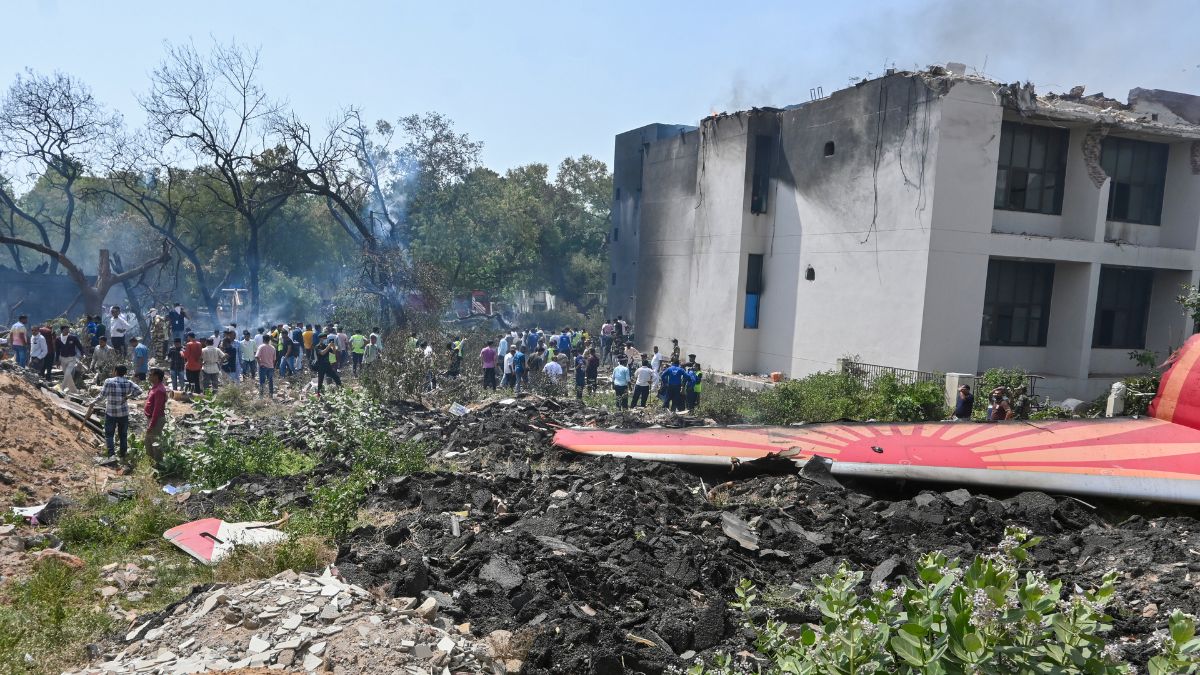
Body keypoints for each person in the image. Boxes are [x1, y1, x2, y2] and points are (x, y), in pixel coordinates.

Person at [88, 364, 142, 461]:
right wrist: (128, 397)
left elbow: (102, 396)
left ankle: (111, 455)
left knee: (109, 434)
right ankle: (123, 455)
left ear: (115, 371)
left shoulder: (109, 381)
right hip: (123, 413)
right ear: (125, 373)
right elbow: (139, 391)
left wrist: (92, 402)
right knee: (123, 435)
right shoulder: (128, 382)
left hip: (111, 413)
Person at [143, 368, 168, 465]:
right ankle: (151, 465)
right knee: (148, 442)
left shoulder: (159, 390)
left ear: (156, 376)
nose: (149, 376)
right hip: (152, 419)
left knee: (155, 444)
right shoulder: (155, 388)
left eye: (151, 375)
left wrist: (151, 425)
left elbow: (157, 410)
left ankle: (158, 465)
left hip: (156, 420)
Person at [56, 324, 86, 393]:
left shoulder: (73, 337)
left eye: (68, 329)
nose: (67, 330)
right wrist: (57, 360)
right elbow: (57, 350)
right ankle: (74, 391)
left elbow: (79, 346)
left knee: (67, 374)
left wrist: (83, 353)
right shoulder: (58, 339)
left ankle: (61, 388)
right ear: (62, 330)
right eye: (66, 329)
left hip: (72, 359)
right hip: (63, 359)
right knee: (68, 376)